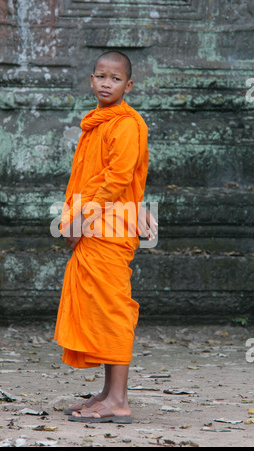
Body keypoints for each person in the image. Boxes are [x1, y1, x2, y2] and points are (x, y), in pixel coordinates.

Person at [54, 51, 157, 423]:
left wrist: (83, 219)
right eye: (100, 76)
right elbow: (102, 177)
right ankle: (108, 392)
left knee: (113, 309)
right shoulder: (98, 123)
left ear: (128, 86)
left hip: (108, 227)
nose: (106, 84)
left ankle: (119, 400)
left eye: (115, 79)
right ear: (91, 79)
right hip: (98, 221)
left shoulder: (126, 123)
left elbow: (117, 178)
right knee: (99, 307)